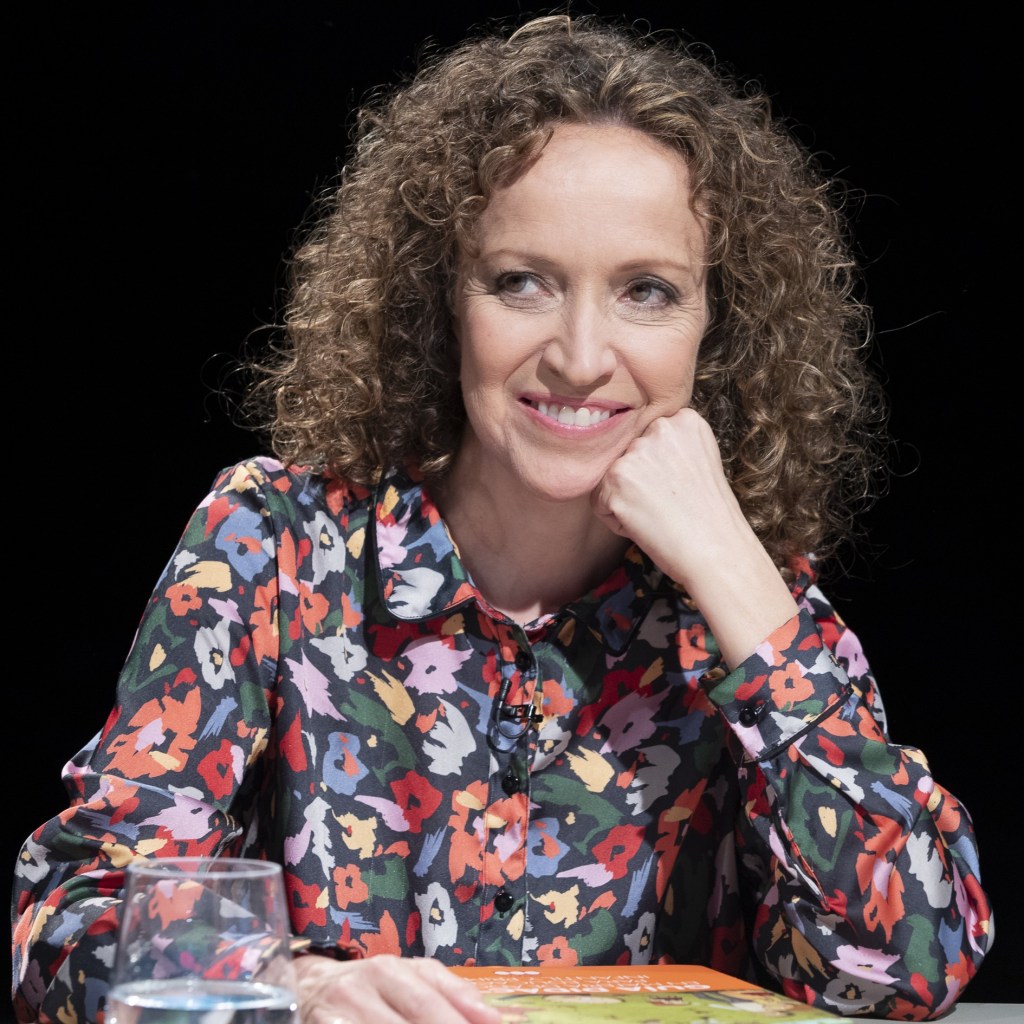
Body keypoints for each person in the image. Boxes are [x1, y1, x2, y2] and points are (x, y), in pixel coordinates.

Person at [11, 13, 992, 1024]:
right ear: (442, 299)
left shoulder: (746, 600)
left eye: (647, 292)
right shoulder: (275, 541)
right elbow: (70, 918)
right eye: (522, 283)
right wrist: (291, 985)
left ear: (718, 327)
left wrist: (737, 573)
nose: (580, 356)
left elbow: (906, 970)